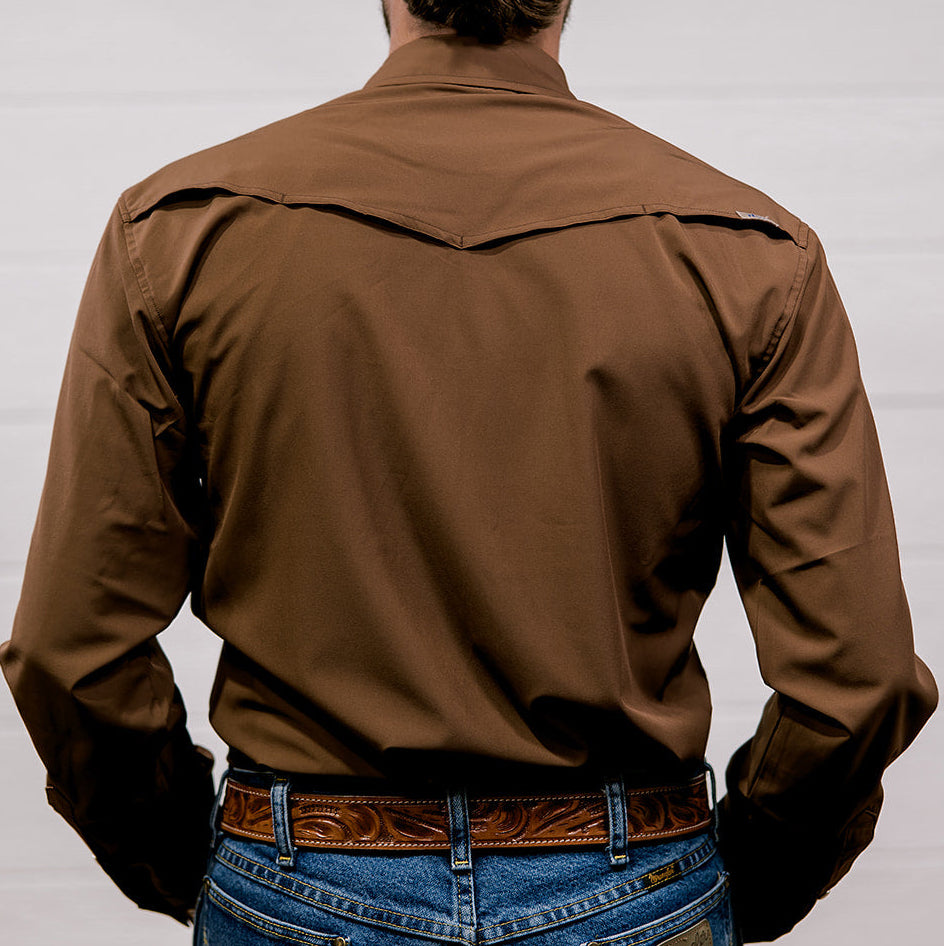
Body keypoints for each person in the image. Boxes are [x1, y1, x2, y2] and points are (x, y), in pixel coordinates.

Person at [1, 1, 937, 943]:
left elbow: (71, 650)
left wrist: (189, 867)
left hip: (295, 880)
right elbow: (852, 682)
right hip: (634, 881)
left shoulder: (177, 234)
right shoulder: (750, 255)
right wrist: (733, 886)